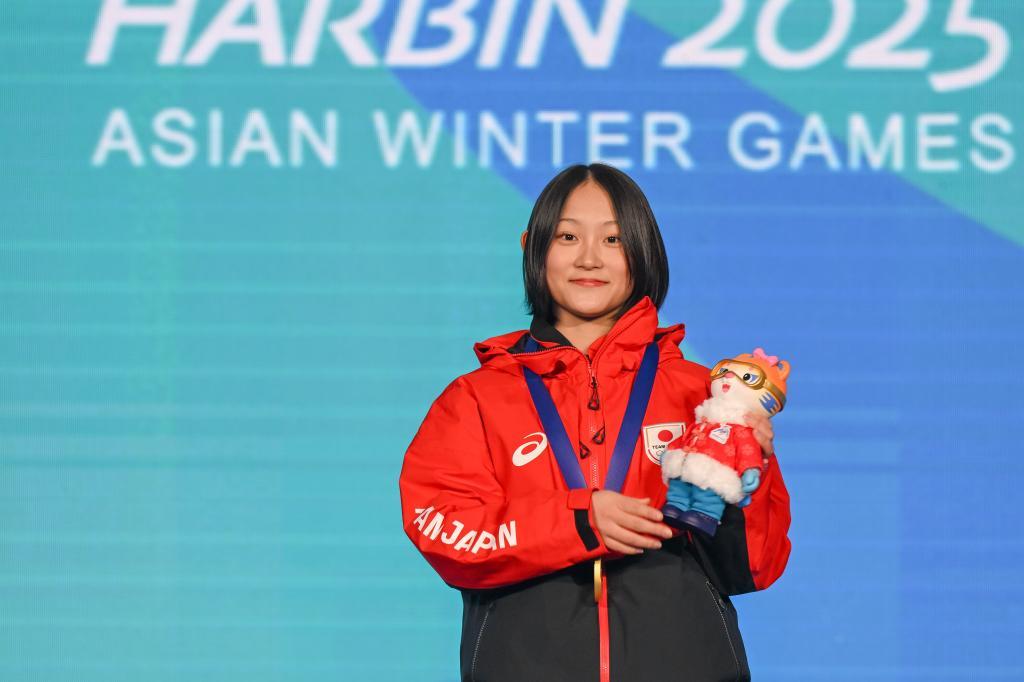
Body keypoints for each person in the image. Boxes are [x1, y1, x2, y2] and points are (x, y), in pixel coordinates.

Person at [399, 163, 792, 682]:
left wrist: (746, 478)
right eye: (568, 236)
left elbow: (753, 567)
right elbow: (449, 535)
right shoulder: (476, 399)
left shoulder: (701, 394)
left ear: (644, 252)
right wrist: (579, 522)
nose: (589, 258)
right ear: (533, 247)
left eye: (613, 239)